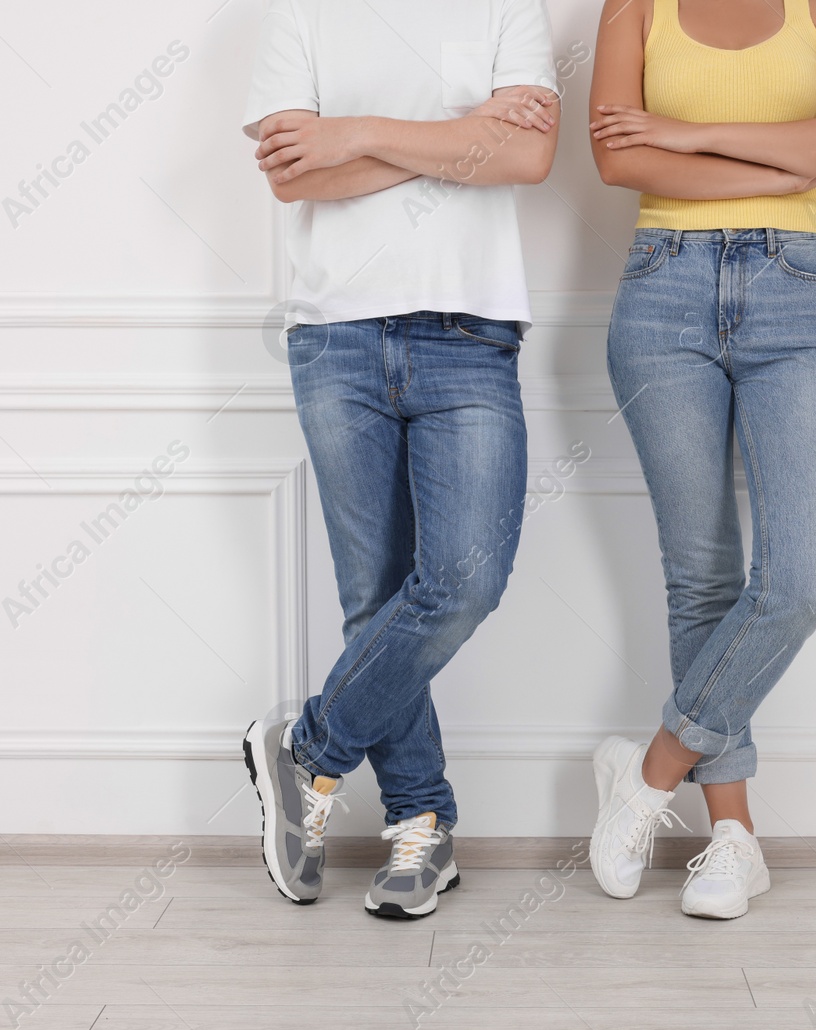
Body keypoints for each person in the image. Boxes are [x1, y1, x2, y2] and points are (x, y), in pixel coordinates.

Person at [239, 0, 561, 919]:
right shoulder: (302, 14)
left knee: (463, 580)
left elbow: (527, 156)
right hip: (335, 335)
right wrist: (461, 138)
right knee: (375, 598)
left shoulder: (511, 9)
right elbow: (296, 179)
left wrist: (357, 133)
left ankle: (306, 753)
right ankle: (420, 826)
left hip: (469, 331)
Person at [584, 0, 816, 918]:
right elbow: (616, 158)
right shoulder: (632, 10)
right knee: (704, 578)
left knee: (797, 579)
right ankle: (732, 836)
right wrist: (793, 146)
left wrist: (690, 132)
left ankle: (647, 773)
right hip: (661, 290)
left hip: (795, 292)